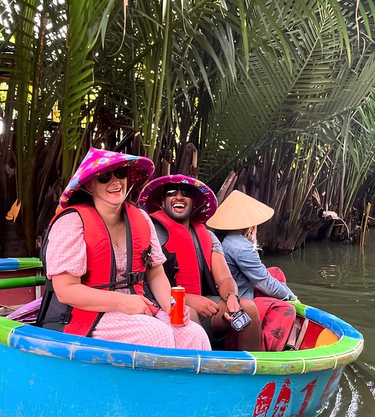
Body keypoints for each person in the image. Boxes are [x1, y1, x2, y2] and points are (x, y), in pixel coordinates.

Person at [38, 148, 211, 350]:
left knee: (193, 333)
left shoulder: (142, 219)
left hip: (139, 306)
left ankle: (190, 383)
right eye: (104, 177)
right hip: (84, 314)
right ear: (89, 185)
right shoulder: (72, 221)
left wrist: (171, 307)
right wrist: (123, 302)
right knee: (156, 334)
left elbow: (156, 274)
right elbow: (66, 291)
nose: (115, 182)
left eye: (120, 174)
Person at [138, 175, 262, 351]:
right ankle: (200, 372)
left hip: (205, 305)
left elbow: (225, 278)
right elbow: (143, 283)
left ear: (194, 203)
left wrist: (232, 296)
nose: (179, 197)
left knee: (248, 307)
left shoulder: (208, 236)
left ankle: (250, 370)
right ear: (162, 202)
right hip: (164, 306)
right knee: (190, 312)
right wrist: (189, 299)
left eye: (186, 193)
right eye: (172, 192)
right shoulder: (150, 232)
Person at [206, 190, 298, 351]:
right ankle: (268, 350)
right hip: (237, 297)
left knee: (276, 272)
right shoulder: (240, 246)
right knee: (285, 308)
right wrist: (292, 297)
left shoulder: (226, 238)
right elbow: (263, 281)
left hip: (231, 290)